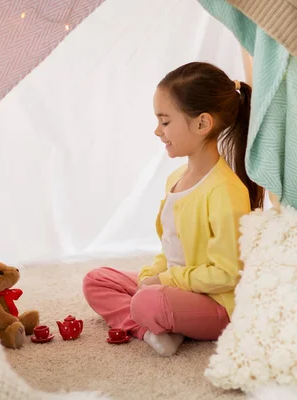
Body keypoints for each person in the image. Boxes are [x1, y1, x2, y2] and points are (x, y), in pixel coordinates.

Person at [83, 62, 264, 356]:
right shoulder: (175, 179)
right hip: (176, 286)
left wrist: (163, 281)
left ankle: (156, 320)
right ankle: (153, 329)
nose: (157, 131)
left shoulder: (225, 192)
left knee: (148, 302)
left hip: (215, 303)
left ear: (202, 124)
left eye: (165, 122)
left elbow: (228, 275)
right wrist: (150, 276)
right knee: (97, 280)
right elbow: (171, 252)